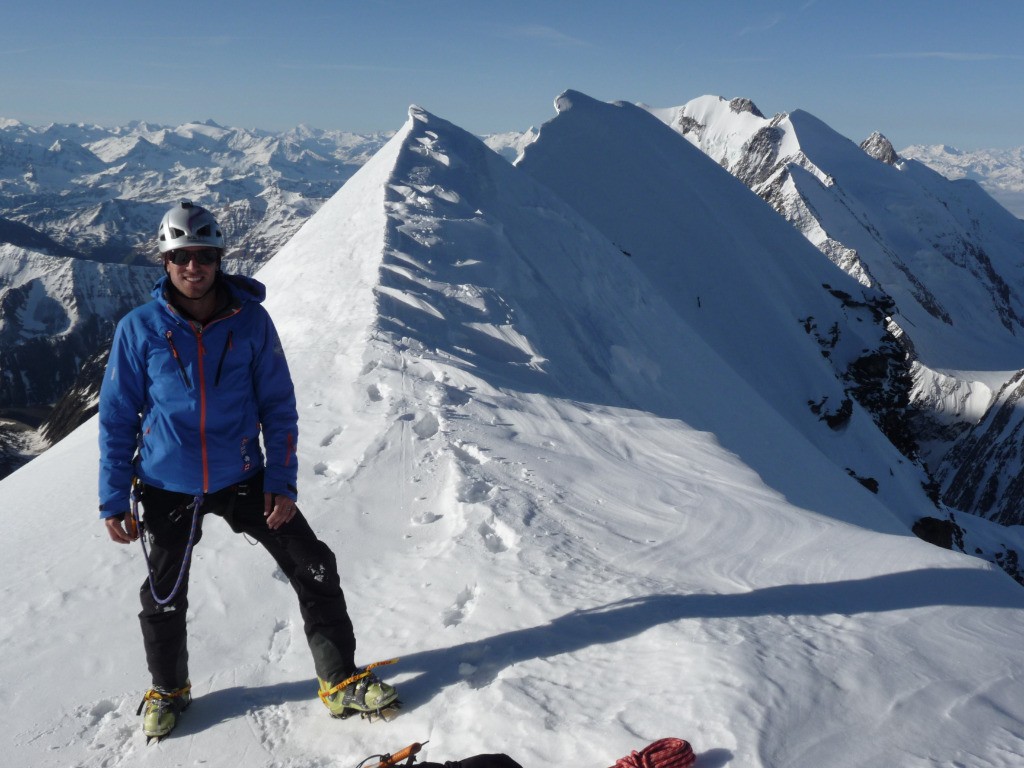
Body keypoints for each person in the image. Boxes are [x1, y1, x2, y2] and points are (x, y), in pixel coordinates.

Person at [98, 200, 397, 740]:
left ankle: (340, 679)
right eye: (182, 256)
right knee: (164, 595)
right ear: (165, 261)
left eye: (204, 256)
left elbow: (277, 404)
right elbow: (118, 416)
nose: (194, 267)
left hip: (244, 476)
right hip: (168, 483)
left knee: (314, 565)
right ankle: (169, 690)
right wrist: (114, 496)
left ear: (219, 260)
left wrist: (280, 481)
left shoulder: (252, 321)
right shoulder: (138, 329)